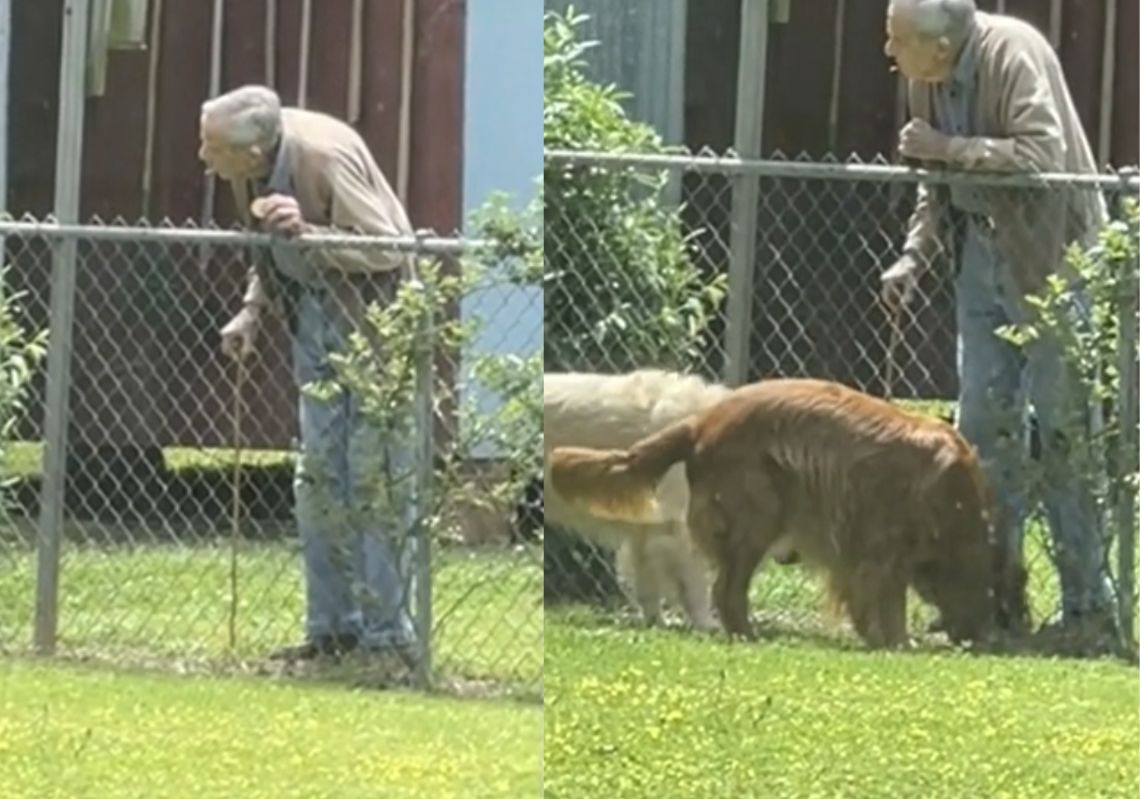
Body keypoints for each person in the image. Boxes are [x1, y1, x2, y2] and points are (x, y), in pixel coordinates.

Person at [879, 0, 1117, 644]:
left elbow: (1041, 153)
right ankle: (991, 604)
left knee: (1064, 433)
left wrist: (948, 147)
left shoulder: (1011, 53)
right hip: (978, 259)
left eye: (896, 39)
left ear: (939, 42)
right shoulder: (923, 75)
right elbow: (933, 177)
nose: (888, 52)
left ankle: (1088, 613)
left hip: (1052, 259)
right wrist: (912, 258)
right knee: (982, 435)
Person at [198, 84, 419, 661]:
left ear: (250, 152)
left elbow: (391, 248)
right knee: (319, 476)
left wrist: (311, 232)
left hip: (376, 319)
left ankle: (389, 640)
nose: (203, 157)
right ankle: (333, 631)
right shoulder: (251, 162)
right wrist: (252, 308)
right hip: (311, 315)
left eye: (211, 147)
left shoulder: (323, 157)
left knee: (374, 477)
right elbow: (268, 245)